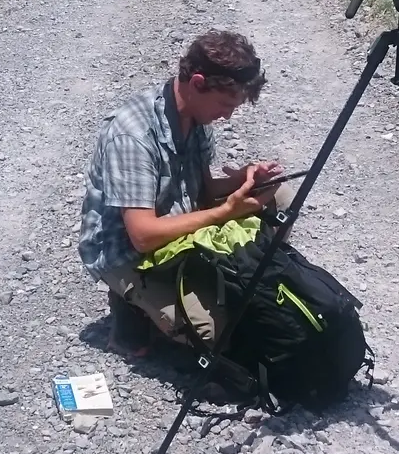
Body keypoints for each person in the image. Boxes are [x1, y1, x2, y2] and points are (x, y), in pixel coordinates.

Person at [78, 31, 283, 353]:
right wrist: (227, 212)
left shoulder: (196, 116)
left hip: (177, 225)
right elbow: (143, 236)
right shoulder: (133, 135)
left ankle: (235, 278)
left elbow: (202, 189)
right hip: (130, 251)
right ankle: (130, 305)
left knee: (278, 198)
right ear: (197, 83)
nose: (227, 116)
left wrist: (243, 180)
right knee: (218, 337)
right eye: (225, 105)